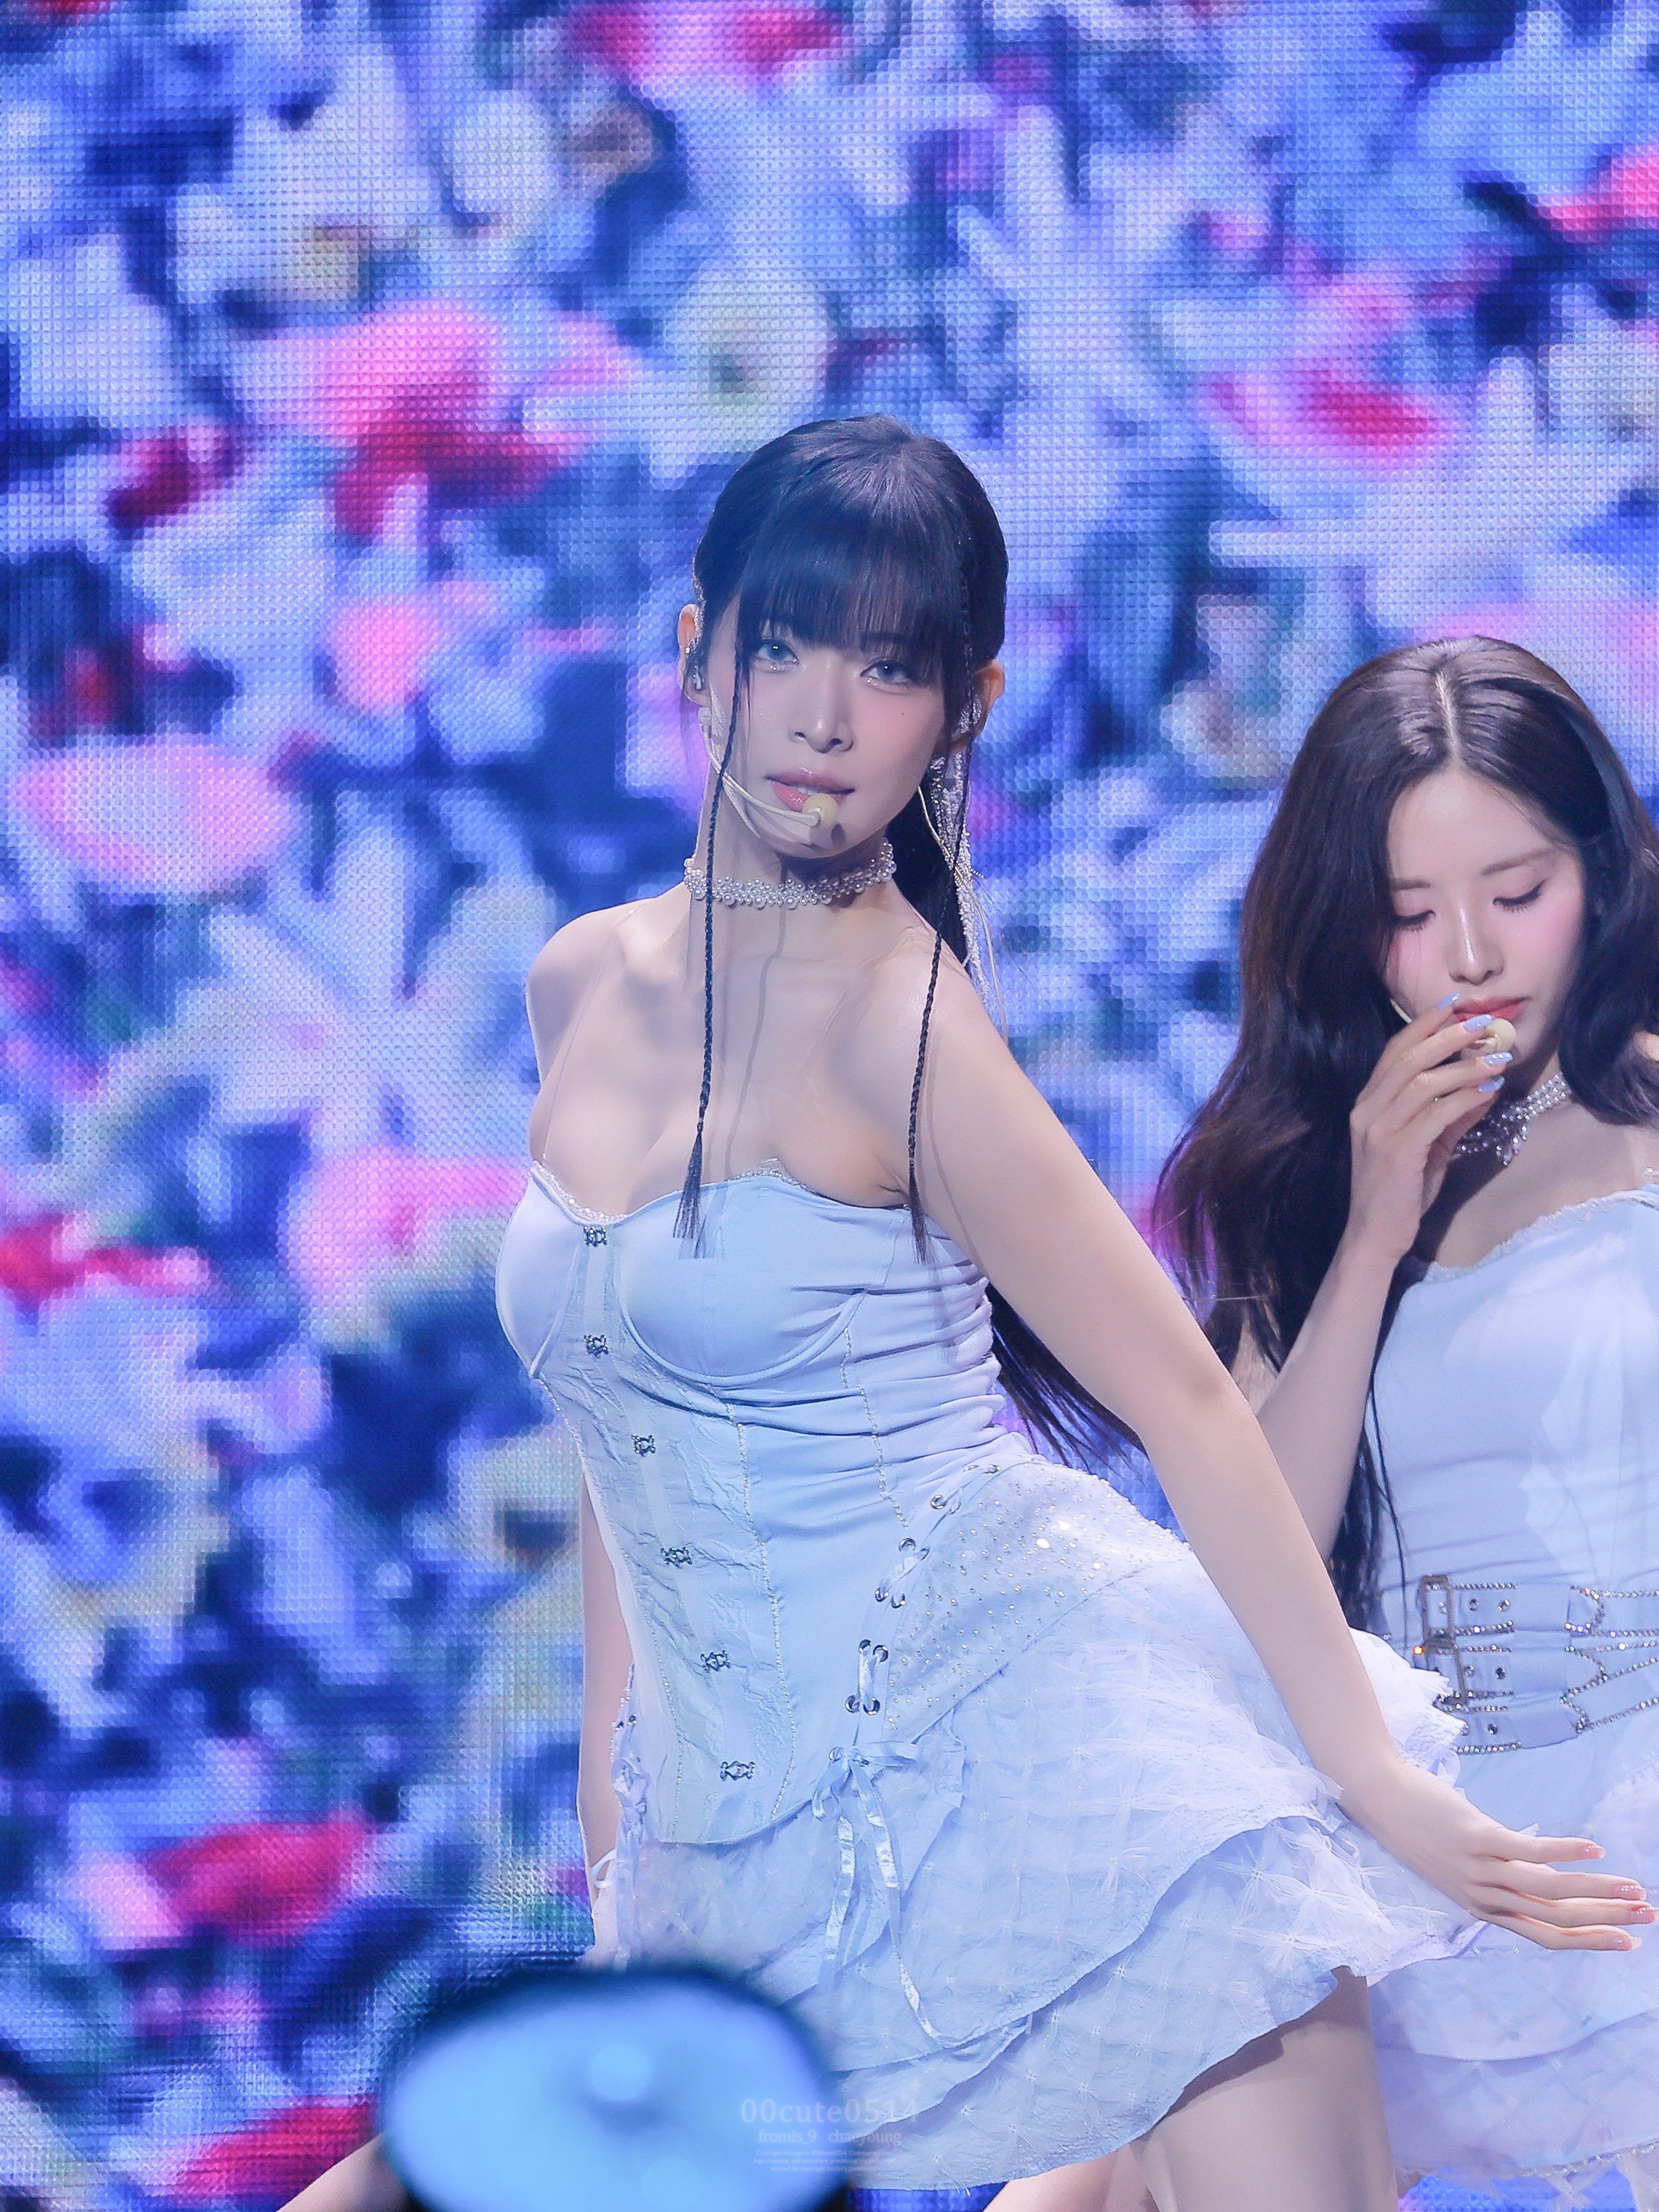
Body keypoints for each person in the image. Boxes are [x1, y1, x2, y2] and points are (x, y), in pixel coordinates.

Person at [280, 432, 1646, 2212]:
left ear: (960, 712)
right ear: (697, 649)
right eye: (782, 645)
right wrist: (621, 1833)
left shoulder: (904, 1023)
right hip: (737, 1818)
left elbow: (1185, 1403)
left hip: (1031, 1743)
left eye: (887, 667)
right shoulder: (578, 982)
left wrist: (1369, 1778)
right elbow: (627, 1426)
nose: (820, 716)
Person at [1159, 636, 1659, 2205]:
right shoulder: (1301, 1184)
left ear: (1601, 876)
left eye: (1518, 892)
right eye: (1412, 911)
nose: (1475, 956)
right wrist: (1374, 1230)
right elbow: (1249, 1568)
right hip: (1419, 1835)